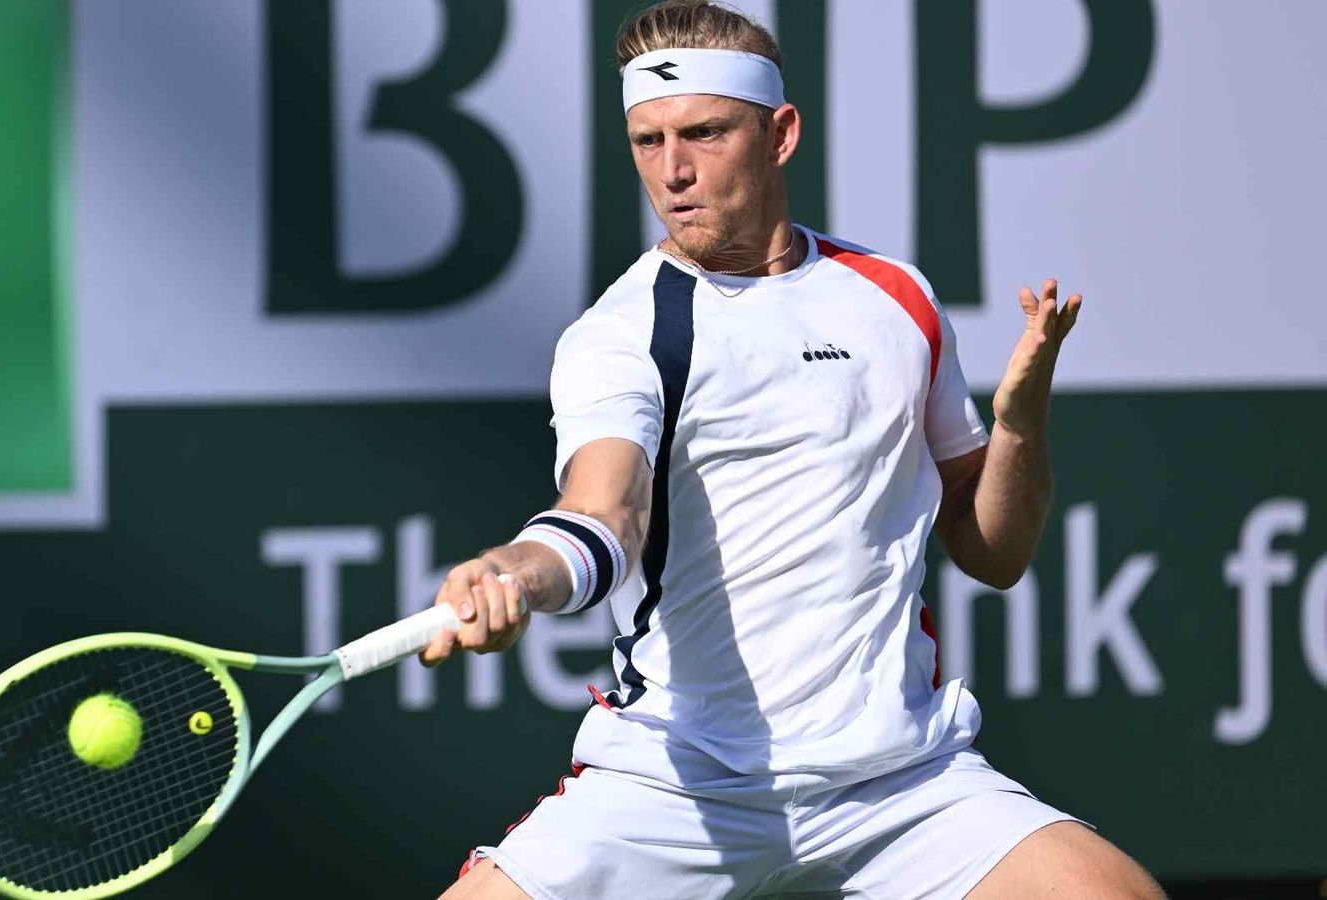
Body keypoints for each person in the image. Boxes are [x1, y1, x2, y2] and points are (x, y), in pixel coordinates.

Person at [420, 2, 1163, 897]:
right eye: (648, 141)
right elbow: (602, 512)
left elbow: (993, 553)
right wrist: (515, 571)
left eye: (704, 133)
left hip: (900, 781)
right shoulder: (619, 335)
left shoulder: (897, 299)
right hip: (675, 783)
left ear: (780, 135)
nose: (674, 171)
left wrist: (1018, 426)